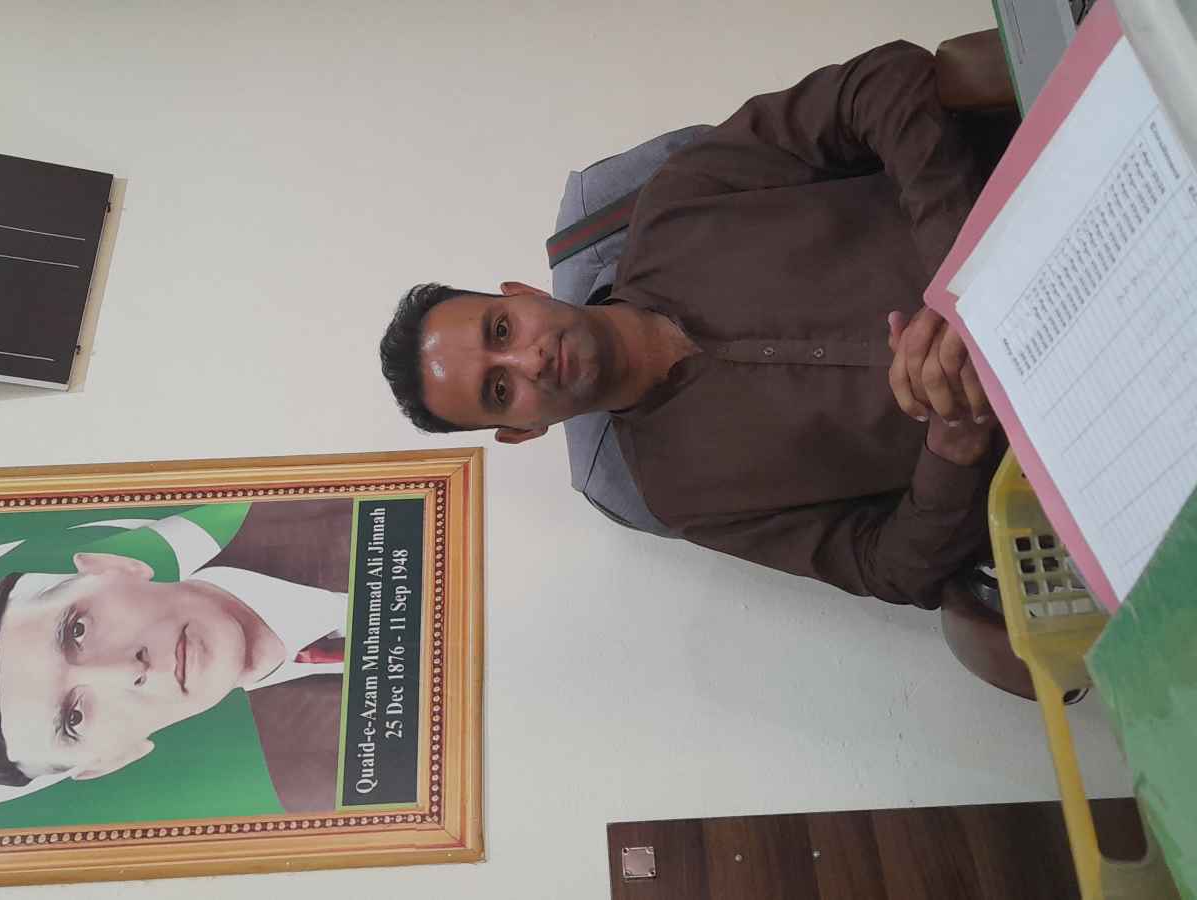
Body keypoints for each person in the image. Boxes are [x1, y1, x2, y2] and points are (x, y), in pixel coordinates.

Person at [379, 38, 1018, 619]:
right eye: (499, 390)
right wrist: (954, 442)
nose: (530, 361)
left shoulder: (680, 198)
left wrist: (958, 278)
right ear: (523, 430)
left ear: (522, 294)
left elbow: (879, 82)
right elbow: (891, 567)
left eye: (501, 331)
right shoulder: (680, 495)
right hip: (1033, 444)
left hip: (1030, 235)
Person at [0, 500, 353, 813]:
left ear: (111, 567)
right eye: (73, 719)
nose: (126, 669)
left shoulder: (322, 497)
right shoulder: (325, 784)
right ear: (110, 761)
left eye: (78, 631)